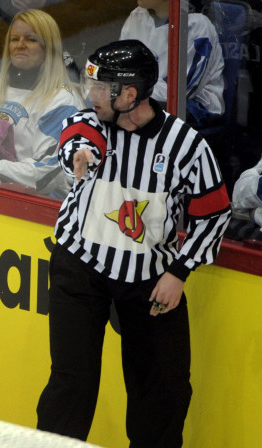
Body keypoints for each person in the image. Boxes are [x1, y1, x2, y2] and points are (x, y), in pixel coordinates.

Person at [35, 40, 232, 447]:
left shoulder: (185, 145)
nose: (90, 95)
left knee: (162, 393)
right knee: (70, 387)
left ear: (129, 94)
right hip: (80, 265)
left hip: (148, 280)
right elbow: (76, 138)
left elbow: (214, 213)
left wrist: (179, 272)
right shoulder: (91, 123)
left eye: (99, 86)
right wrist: (79, 155)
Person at [0, 9, 83, 197]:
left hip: (35, 205)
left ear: (49, 47)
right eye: (14, 39)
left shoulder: (62, 103)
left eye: (31, 39)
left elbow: (45, 175)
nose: (20, 45)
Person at [120, 0, 224, 128]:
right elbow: (122, 68)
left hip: (197, 107)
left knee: (130, 113)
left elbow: (180, 91)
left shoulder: (198, 25)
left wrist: (128, 91)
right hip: (144, 96)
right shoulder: (136, 16)